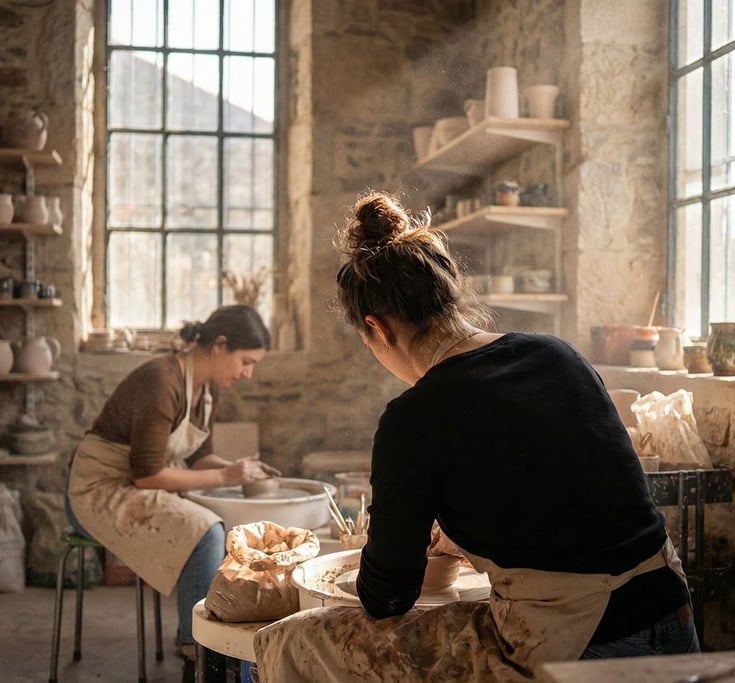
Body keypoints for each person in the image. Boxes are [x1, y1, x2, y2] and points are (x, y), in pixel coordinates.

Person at [253, 192, 697, 680]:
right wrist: (462, 535)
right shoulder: (557, 354)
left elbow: (387, 597)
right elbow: (570, 503)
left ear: (378, 330)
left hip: (579, 642)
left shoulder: (412, 418)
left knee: (291, 640)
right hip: (671, 612)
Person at [66, 304, 276, 659]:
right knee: (208, 532)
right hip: (98, 490)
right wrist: (225, 476)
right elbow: (147, 475)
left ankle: (216, 635)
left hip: (138, 482)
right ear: (220, 345)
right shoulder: (162, 380)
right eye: (246, 362)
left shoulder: (208, 388)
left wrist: (237, 470)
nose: (248, 375)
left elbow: (197, 458)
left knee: (229, 522)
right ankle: (195, 646)